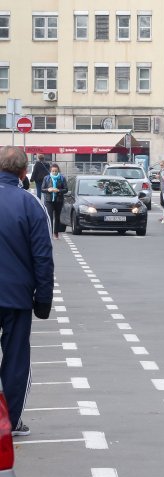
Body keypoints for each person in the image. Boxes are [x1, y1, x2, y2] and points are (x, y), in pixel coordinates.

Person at [0, 145, 54, 436]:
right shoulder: (31, 204)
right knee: (16, 361)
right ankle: (8, 423)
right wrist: (43, 299)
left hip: (14, 294)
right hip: (16, 296)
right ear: (24, 173)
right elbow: (43, 257)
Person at [42, 163, 67, 239]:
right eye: (53, 171)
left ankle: (56, 233)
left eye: (56, 171)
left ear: (58, 171)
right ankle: (50, 233)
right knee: (49, 217)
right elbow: (42, 189)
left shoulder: (62, 178)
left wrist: (58, 190)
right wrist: (48, 189)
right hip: (49, 200)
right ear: (50, 171)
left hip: (58, 200)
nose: (54, 172)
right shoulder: (46, 178)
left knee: (57, 217)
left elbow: (66, 189)